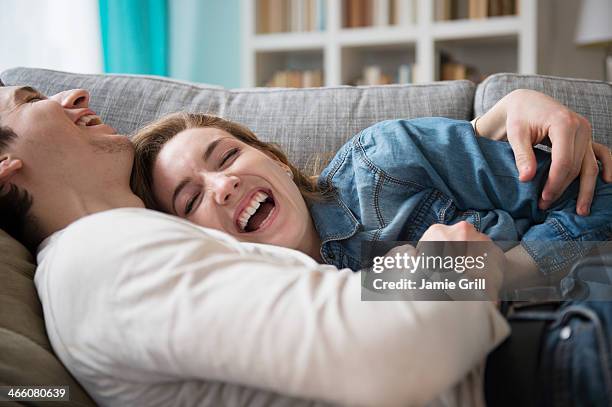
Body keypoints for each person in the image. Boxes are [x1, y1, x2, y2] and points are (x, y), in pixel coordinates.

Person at [0, 85, 610, 406]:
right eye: (32, 102)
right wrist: (468, 264)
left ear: (279, 160)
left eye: (229, 156)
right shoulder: (99, 259)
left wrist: (500, 116)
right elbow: (387, 346)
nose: (73, 97)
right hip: (544, 360)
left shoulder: (121, 245)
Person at [130, 91, 612, 282]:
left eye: (228, 156)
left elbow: (603, 198)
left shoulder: (385, 162)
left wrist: (508, 272)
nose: (223, 185)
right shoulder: (255, 316)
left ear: (275, 159)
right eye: (190, 199)